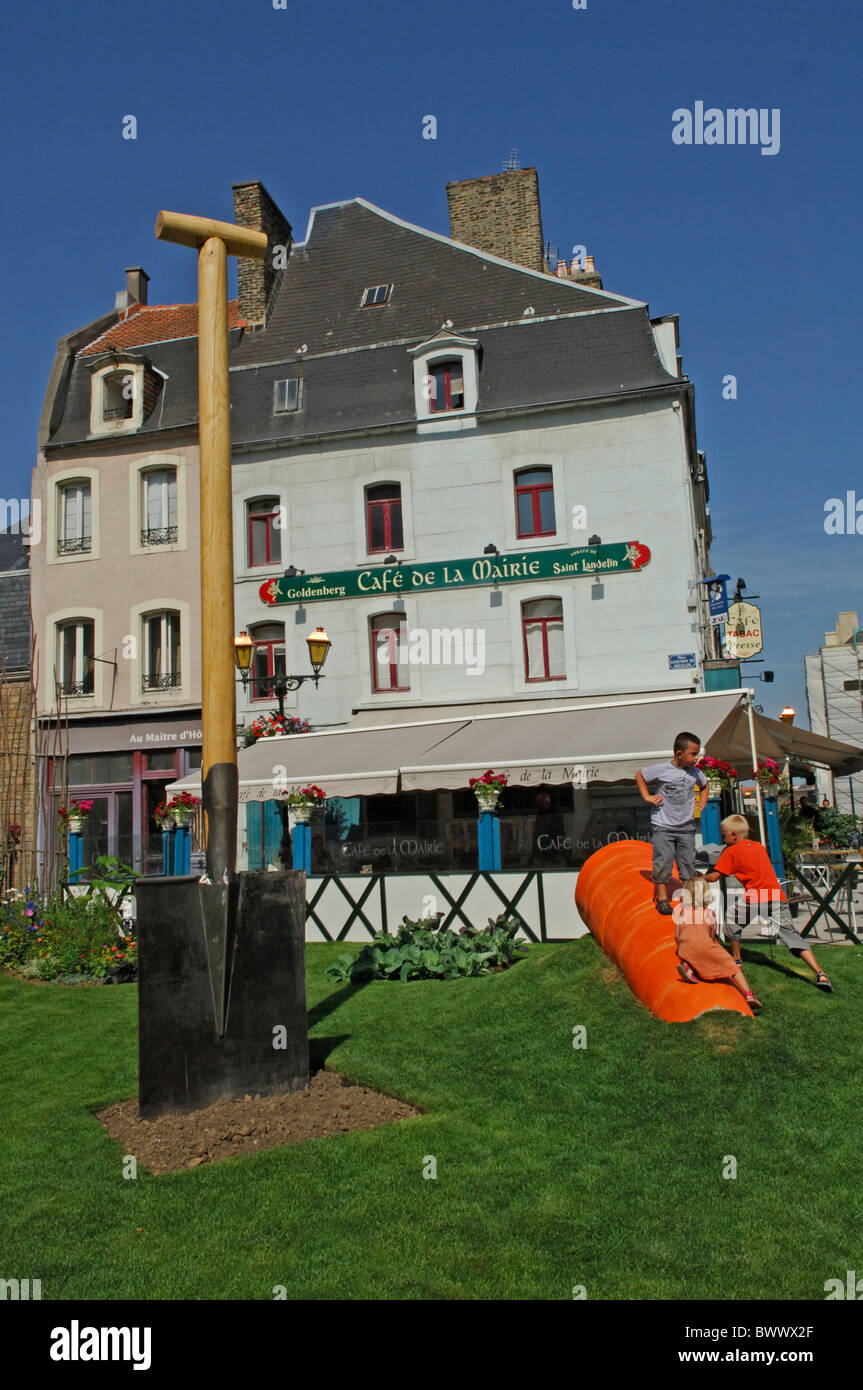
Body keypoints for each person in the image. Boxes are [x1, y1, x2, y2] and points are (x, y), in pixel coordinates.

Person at [701, 814, 834, 992]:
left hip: (755, 896)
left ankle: (737, 958)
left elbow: (715, 876)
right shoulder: (758, 847)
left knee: (731, 922)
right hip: (776, 895)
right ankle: (820, 973)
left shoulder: (730, 852)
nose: (722, 838)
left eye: (724, 834)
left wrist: (701, 877)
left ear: (734, 835)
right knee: (791, 936)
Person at [636, 732, 709, 915]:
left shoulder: (696, 772)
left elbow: (705, 784)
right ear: (679, 754)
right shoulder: (662, 769)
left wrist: (704, 800)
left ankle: (687, 898)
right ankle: (662, 899)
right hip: (663, 825)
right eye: (692, 754)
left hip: (686, 826)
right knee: (663, 861)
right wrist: (647, 796)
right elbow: (640, 775)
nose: (696, 758)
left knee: (688, 863)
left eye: (697, 753)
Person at [673, 877, 763, 1011]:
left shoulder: (680, 912)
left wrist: (682, 945)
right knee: (732, 966)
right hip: (704, 947)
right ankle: (748, 993)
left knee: (690, 951)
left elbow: (677, 935)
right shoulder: (709, 914)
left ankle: (688, 965)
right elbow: (710, 936)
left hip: (685, 948)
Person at [533, 791, 568, 863]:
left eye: (540, 804)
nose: (539, 807)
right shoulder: (541, 814)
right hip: (542, 850)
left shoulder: (555, 815)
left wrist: (558, 853)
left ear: (546, 803)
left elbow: (560, 834)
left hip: (551, 850)